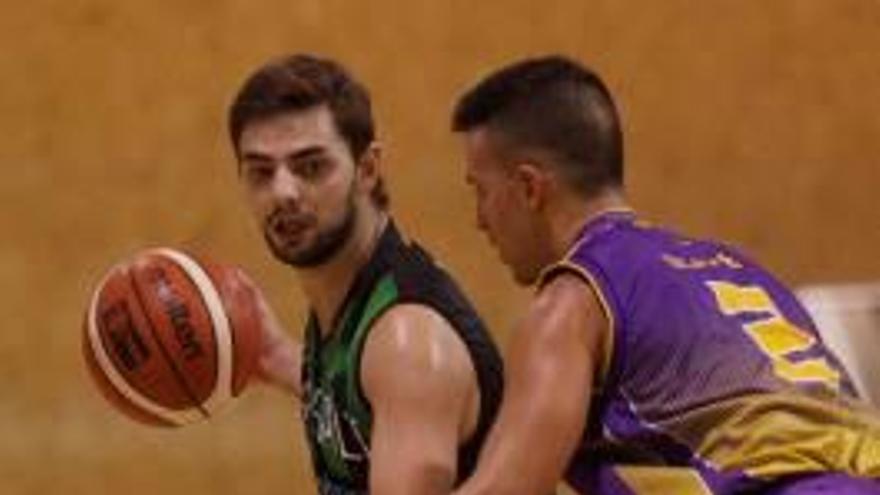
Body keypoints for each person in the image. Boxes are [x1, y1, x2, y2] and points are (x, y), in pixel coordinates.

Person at [448, 55, 880, 494]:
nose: (479, 220)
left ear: (529, 188)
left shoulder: (572, 301)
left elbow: (510, 488)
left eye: (480, 192)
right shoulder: (743, 272)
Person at [226, 53, 503, 494]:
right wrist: (276, 357)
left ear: (368, 169)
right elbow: (362, 403)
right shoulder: (351, 303)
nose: (283, 192)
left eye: (310, 167)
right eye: (261, 172)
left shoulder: (407, 343)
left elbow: (397, 384)